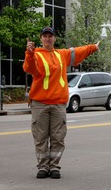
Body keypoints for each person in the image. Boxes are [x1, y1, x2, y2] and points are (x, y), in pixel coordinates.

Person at [23, 27, 99, 179]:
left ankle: (54, 166)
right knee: (41, 137)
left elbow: (77, 52)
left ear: (54, 39)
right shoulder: (36, 54)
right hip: (40, 103)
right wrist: (29, 53)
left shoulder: (61, 54)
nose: (48, 39)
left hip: (58, 103)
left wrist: (93, 48)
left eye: (50, 36)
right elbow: (29, 68)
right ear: (41, 39)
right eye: (45, 36)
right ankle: (43, 167)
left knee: (58, 137)